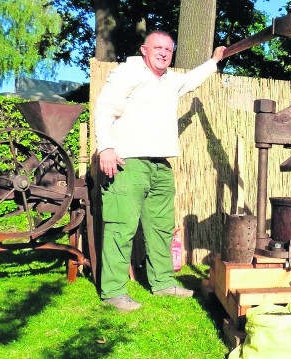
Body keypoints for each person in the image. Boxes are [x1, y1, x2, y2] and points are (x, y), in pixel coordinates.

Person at [94, 30, 226, 311]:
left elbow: (191, 81)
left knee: (161, 228)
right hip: (127, 162)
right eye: (158, 47)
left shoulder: (169, 81)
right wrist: (106, 147)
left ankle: (162, 282)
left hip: (160, 165)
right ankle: (113, 291)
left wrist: (214, 61)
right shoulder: (127, 73)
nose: (164, 53)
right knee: (121, 227)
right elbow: (104, 108)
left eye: (169, 49)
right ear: (144, 49)